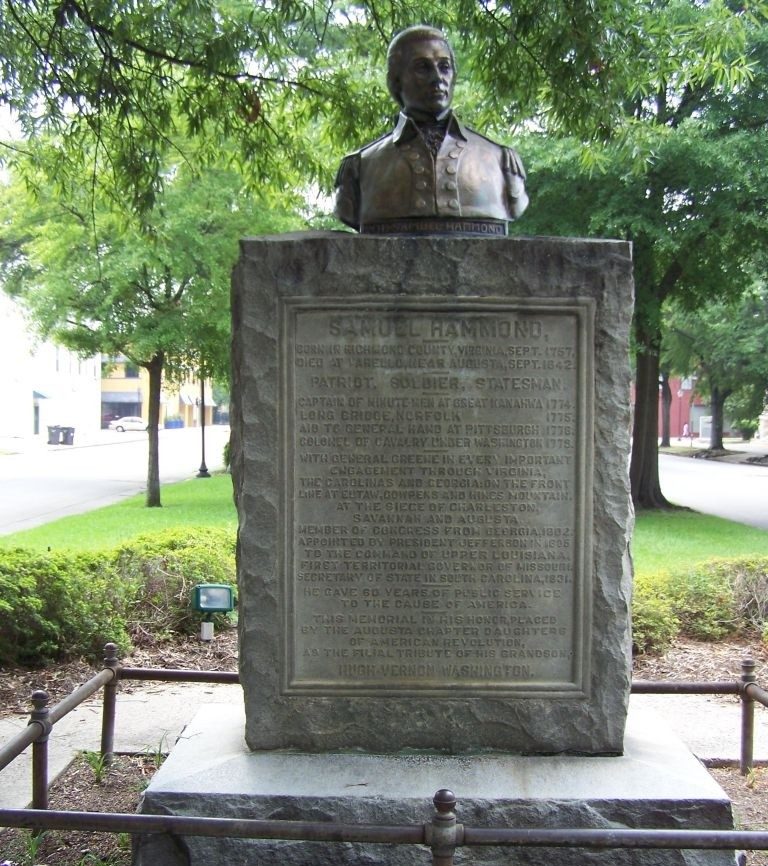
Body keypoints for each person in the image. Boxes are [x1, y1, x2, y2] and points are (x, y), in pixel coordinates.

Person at [334, 25, 529, 235]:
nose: (437, 78)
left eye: (444, 67)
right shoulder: (360, 166)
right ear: (396, 80)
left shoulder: (500, 160)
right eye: (422, 68)